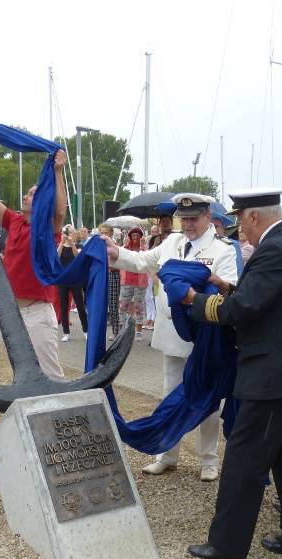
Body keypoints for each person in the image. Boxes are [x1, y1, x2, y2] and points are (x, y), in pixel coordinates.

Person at [181, 188, 282, 559]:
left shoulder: (275, 248)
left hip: (274, 376)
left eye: (241, 220)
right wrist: (227, 287)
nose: (240, 229)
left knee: (244, 458)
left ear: (254, 217)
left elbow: (245, 308)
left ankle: (227, 545)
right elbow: (264, 298)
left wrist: (194, 301)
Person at [104, 193, 238, 482]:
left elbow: (231, 289)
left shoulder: (222, 249)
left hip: (205, 338)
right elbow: (143, 261)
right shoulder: (172, 242)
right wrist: (116, 253)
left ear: (208, 217)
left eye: (193, 218)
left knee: (206, 401)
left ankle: (208, 459)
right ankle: (166, 455)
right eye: (184, 219)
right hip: (171, 334)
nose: (187, 224)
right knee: (169, 395)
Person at [0, 137, 69, 378]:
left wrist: (58, 172)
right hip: (15, 315)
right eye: (27, 193)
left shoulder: (47, 228)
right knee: (24, 375)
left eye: (31, 194)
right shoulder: (14, 221)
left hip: (37, 314)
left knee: (51, 376)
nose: (25, 196)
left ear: (42, 201)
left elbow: (60, 210)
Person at [56, 225, 88, 342]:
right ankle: (66, 332)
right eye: (67, 232)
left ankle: (86, 330)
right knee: (64, 306)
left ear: (74, 234)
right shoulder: (60, 245)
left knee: (80, 305)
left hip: (75, 279)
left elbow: (77, 257)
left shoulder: (78, 246)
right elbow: (57, 257)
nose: (69, 234)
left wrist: (71, 243)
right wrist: (62, 242)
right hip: (63, 279)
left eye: (71, 232)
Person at [118, 227, 148, 340]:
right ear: (130, 237)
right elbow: (120, 256)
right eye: (133, 235)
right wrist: (125, 246)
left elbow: (146, 259)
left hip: (140, 281)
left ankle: (139, 331)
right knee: (123, 306)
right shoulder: (125, 248)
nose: (135, 237)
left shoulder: (144, 249)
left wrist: (142, 246)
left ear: (141, 237)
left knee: (139, 307)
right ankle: (122, 330)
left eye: (138, 235)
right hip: (127, 280)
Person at [99, 223, 123, 339]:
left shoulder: (115, 246)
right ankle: (100, 334)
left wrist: (108, 266)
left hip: (113, 276)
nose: (103, 235)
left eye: (106, 233)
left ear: (111, 233)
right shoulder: (99, 246)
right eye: (101, 233)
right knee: (101, 306)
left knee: (113, 306)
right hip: (101, 276)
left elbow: (119, 264)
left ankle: (116, 332)